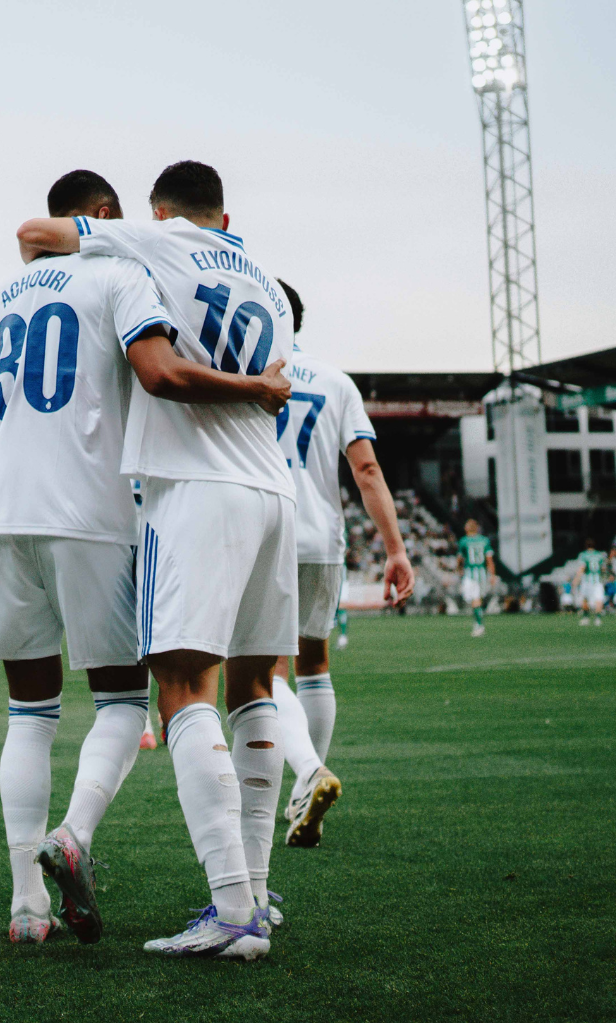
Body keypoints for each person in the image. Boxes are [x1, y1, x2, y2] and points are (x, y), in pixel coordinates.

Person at [0, 171, 290, 945]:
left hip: (4, 512)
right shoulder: (153, 272)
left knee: (29, 713)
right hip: (111, 508)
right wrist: (255, 388)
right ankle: (230, 892)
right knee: (153, 698)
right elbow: (156, 373)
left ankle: (27, 908)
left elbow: (32, 248)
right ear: (107, 217)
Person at [268, 279, 412, 853]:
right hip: (320, 536)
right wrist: (396, 549)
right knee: (315, 663)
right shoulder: (335, 381)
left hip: (260, 527)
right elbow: (368, 470)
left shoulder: (246, 376)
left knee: (262, 672)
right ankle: (309, 782)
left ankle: (306, 774)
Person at [457, 520, 497, 637]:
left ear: (467, 529)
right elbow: (489, 560)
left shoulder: (464, 541)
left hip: (470, 573)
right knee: (477, 599)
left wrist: (459, 569)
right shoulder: (484, 540)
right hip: (482, 573)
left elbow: (460, 559)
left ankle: (479, 625)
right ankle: (478, 623)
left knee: (474, 599)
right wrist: (492, 575)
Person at [575, 540, 608, 626]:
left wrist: (576, 579)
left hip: (587, 581)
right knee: (598, 600)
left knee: (585, 599)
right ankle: (598, 619)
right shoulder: (600, 555)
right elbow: (603, 569)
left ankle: (586, 618)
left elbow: (582, 568)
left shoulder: (583, 555)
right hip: (598, 581)